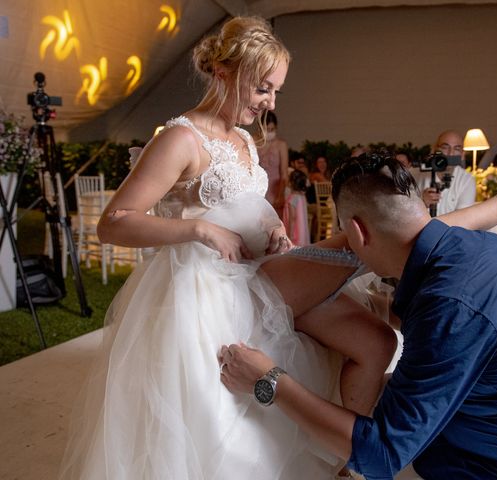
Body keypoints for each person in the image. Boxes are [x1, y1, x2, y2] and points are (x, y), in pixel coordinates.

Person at [59, 16, 399, 480]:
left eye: (275, 91)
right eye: (263, 88)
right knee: (225, 428)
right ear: (224, 72)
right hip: (212, 287)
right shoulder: (180, 138)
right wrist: (200, 232)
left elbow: (246, 202)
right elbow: (113, 224)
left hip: (270, 271)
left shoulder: (242, 138)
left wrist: (276, 227)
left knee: (372, 340)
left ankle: (346, 464)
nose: (270, 103)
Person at [219, 144, 497, 479]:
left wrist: (269, 381)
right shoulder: (480, 249)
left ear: (357, 233)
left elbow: (381, 455)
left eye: (347, 242)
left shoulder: (453, 305)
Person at [414, 130, 476, 217]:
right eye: (445, 147)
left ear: (462, 154)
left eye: (457, 149)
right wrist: (422, 202)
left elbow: (463, 218)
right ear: (434, 150)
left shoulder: (466, 180)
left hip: (450, 229)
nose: (450, 153)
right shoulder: (416, 174)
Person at [257, 111, 289, 217]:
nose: (269, 132)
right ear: (261, 128)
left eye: (272, 129)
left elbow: (284, 173)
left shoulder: (281, 145)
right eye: (267, 129)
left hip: (275, 191)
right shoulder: (254, 142)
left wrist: (280, 195)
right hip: (258, 190)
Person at [283, 169, 311, 246]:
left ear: (291, 183)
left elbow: (292, 217)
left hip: (295, 233)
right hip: (302, 231)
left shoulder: (292, 199)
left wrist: (290, 234)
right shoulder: (302, 197)